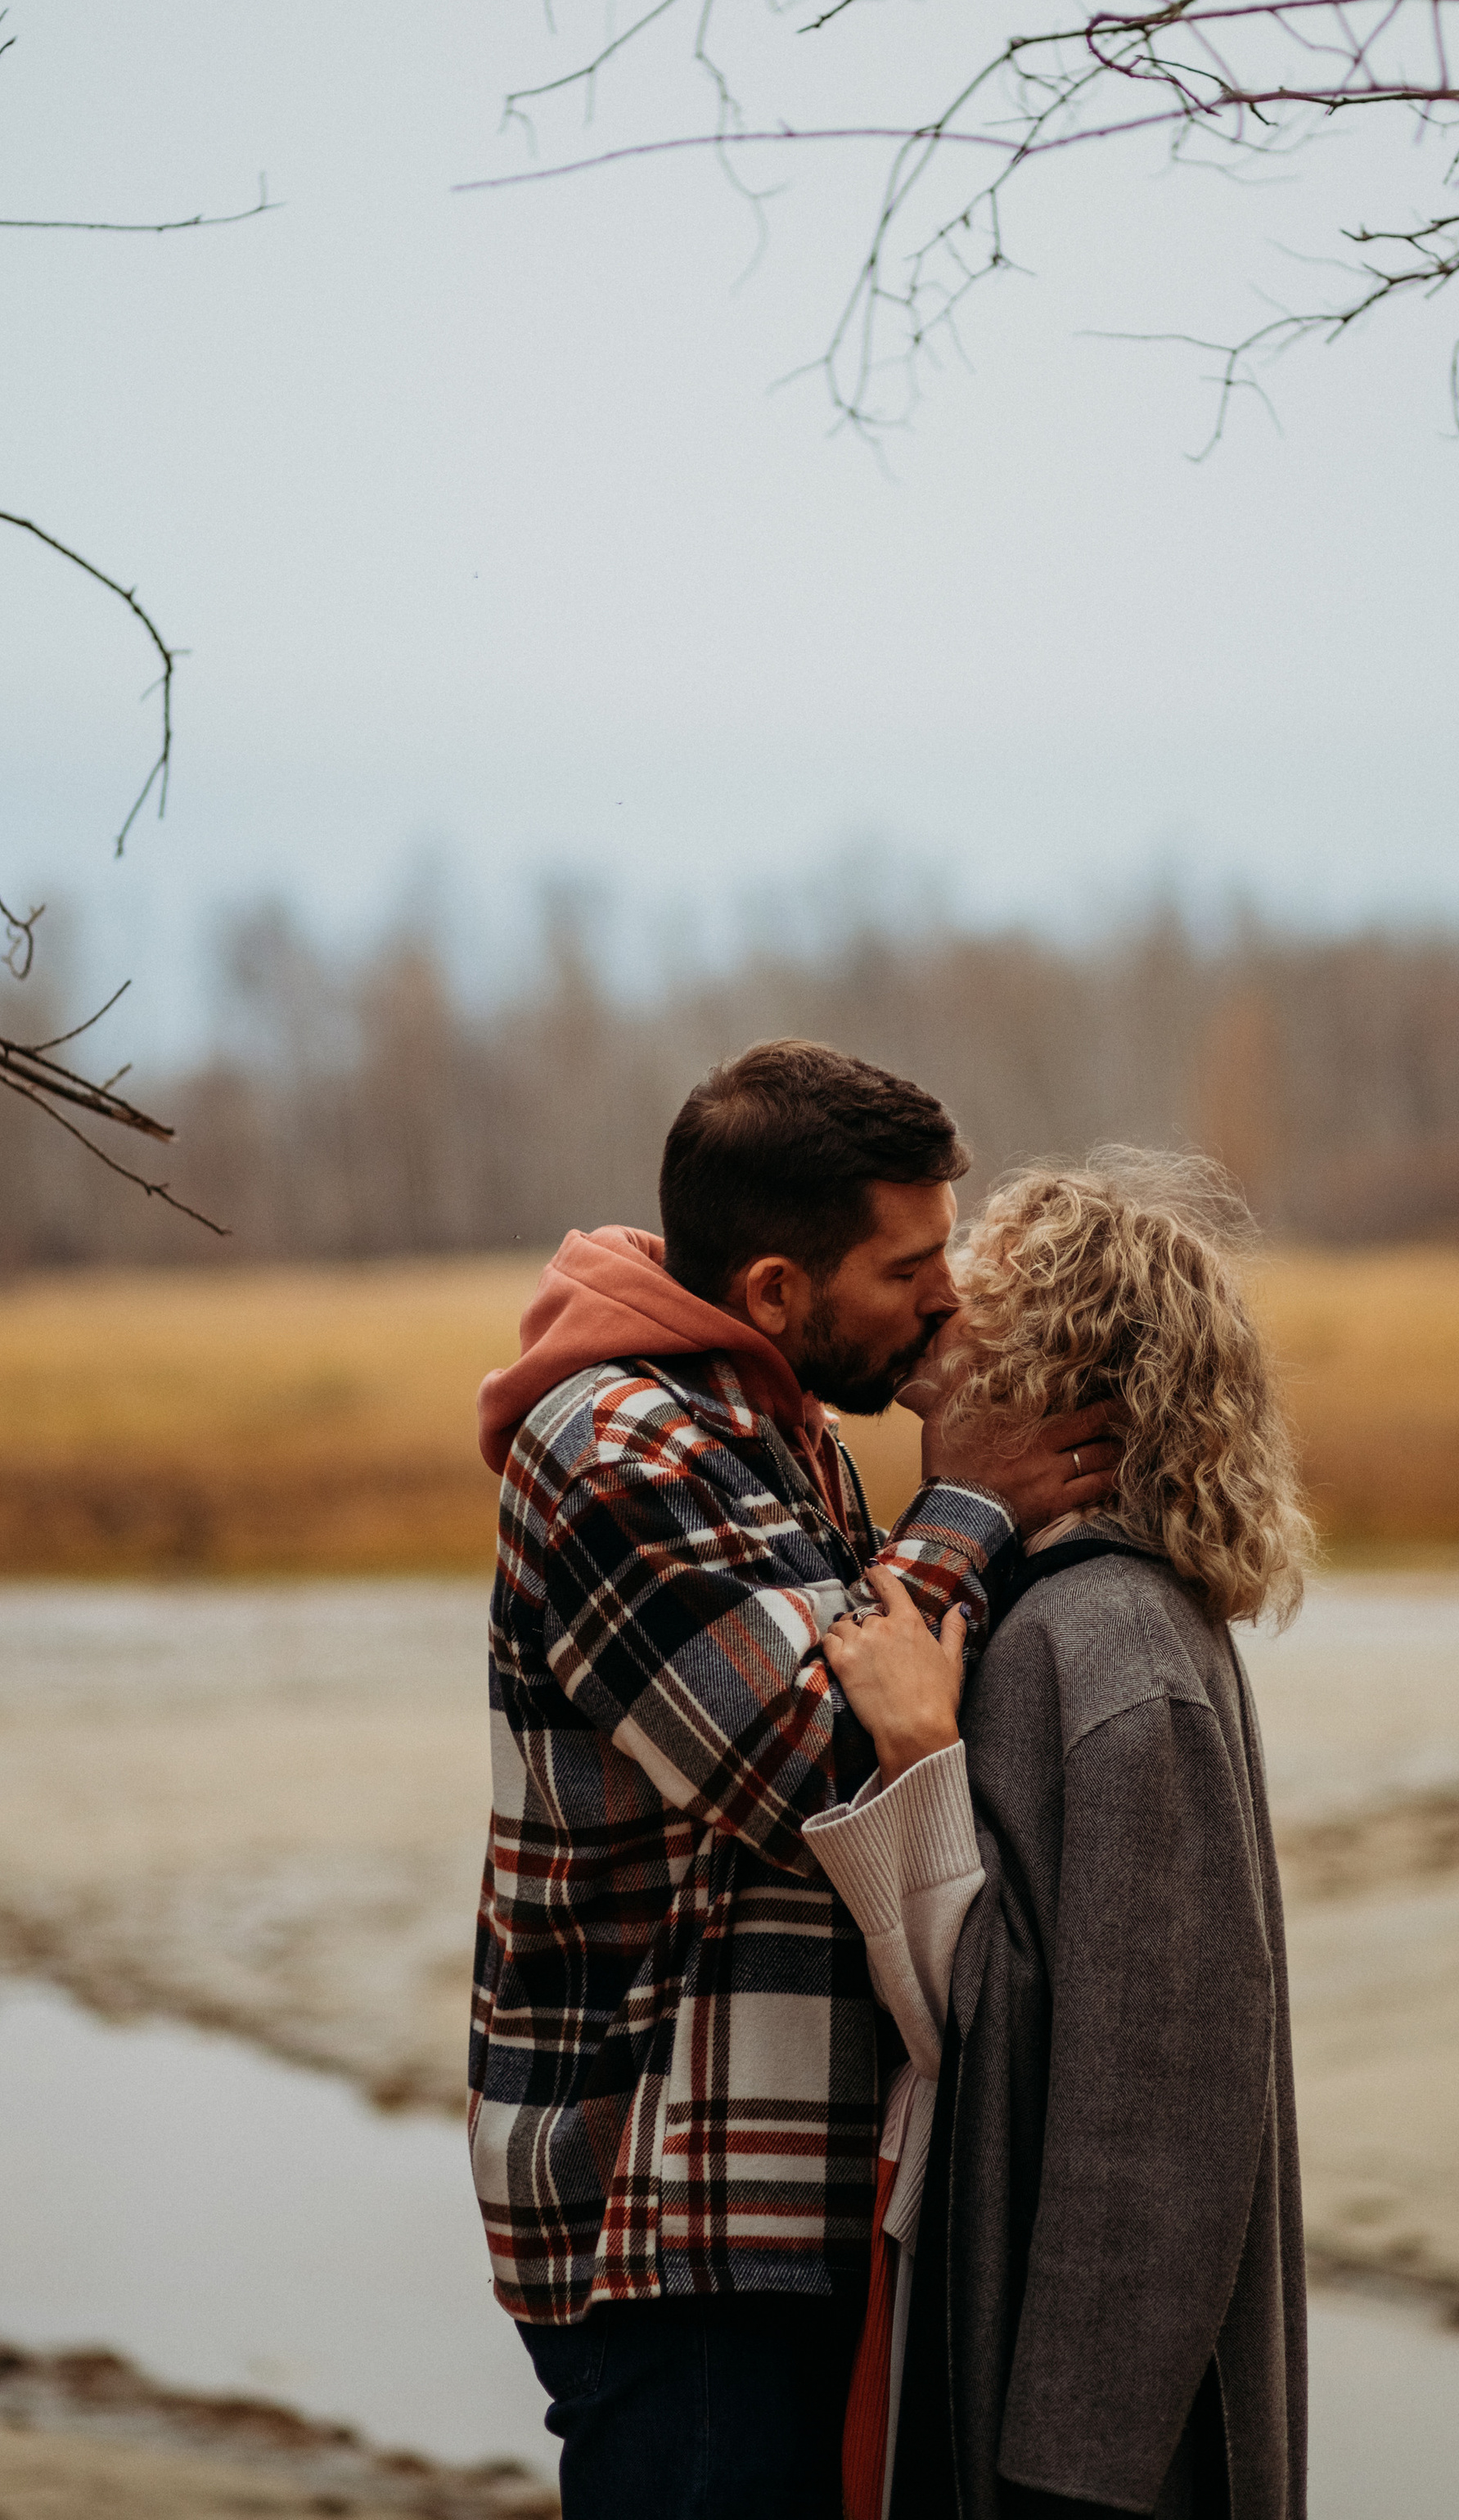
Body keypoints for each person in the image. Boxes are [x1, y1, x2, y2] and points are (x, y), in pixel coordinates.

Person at [467, 1043, 1124, 2520]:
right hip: (670, 2216)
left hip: (766, 2202)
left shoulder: (769, 1425)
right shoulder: (612, 1446)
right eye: (912, 1267)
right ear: (775, 1291)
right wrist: (973, 1506)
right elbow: (814, 1765)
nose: (948, 1296)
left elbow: (878, 1699)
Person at [806, 1151, 1312, 2520]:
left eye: (972, 1300)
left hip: (1092, 2456)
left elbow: (1158, 2107)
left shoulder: (1107, 1643)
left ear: (1054, 1361)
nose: (930, 1314)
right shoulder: (1059, 1615)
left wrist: (1067, 2478)